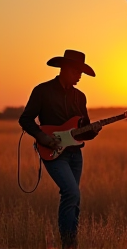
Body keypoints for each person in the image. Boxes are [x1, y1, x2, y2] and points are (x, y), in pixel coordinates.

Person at [19, 49, 102, 249]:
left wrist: (94, 131)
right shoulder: (42, 91)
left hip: (75, 153)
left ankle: (71, 243)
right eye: (76, 71)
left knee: (75, 198)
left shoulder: (80, 97)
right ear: (64, 68)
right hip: (54, 153)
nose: (80, 76)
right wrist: (43, 138)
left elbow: (83, 129)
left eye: (81, 72)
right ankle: (68, 244)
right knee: (71, 193)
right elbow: (25, 119)